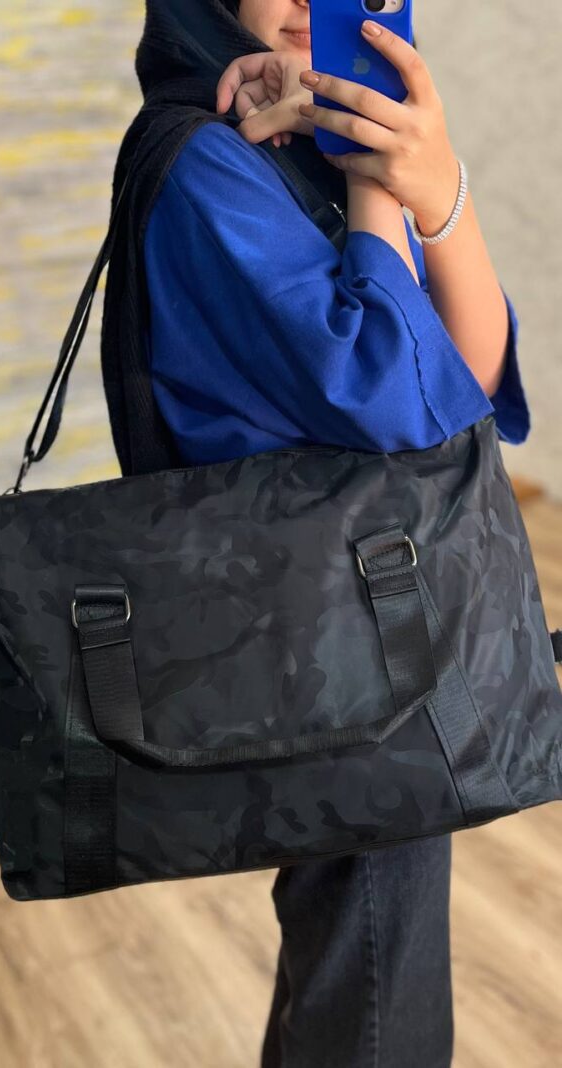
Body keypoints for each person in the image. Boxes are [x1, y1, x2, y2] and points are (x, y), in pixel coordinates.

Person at [101, 2, 531, 1065]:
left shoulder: (293, 138)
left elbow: (473, 383)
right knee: (375, 988)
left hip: (375, 621)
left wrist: (435, 183)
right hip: (323, 645)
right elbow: (396, 395)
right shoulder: (208, 162)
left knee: (351, 964)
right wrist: (377, 184)